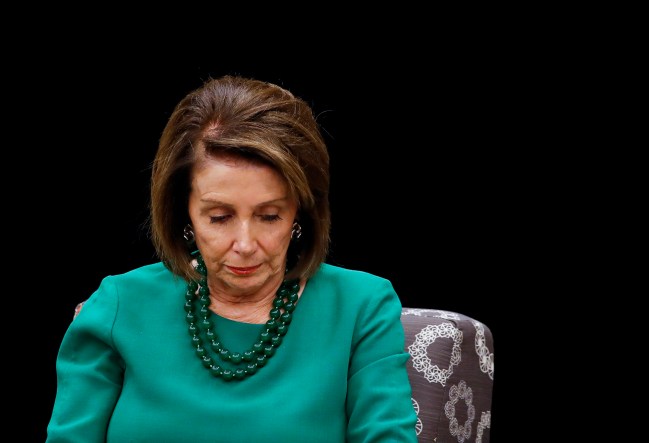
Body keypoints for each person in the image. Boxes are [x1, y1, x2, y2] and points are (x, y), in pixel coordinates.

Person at [47, 75, 418, 442]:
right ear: (184, 212)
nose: (244, 244)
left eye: (269, 215)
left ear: (300, 213)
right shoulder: (118, 304)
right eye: (220, 217)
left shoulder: (360, 306)